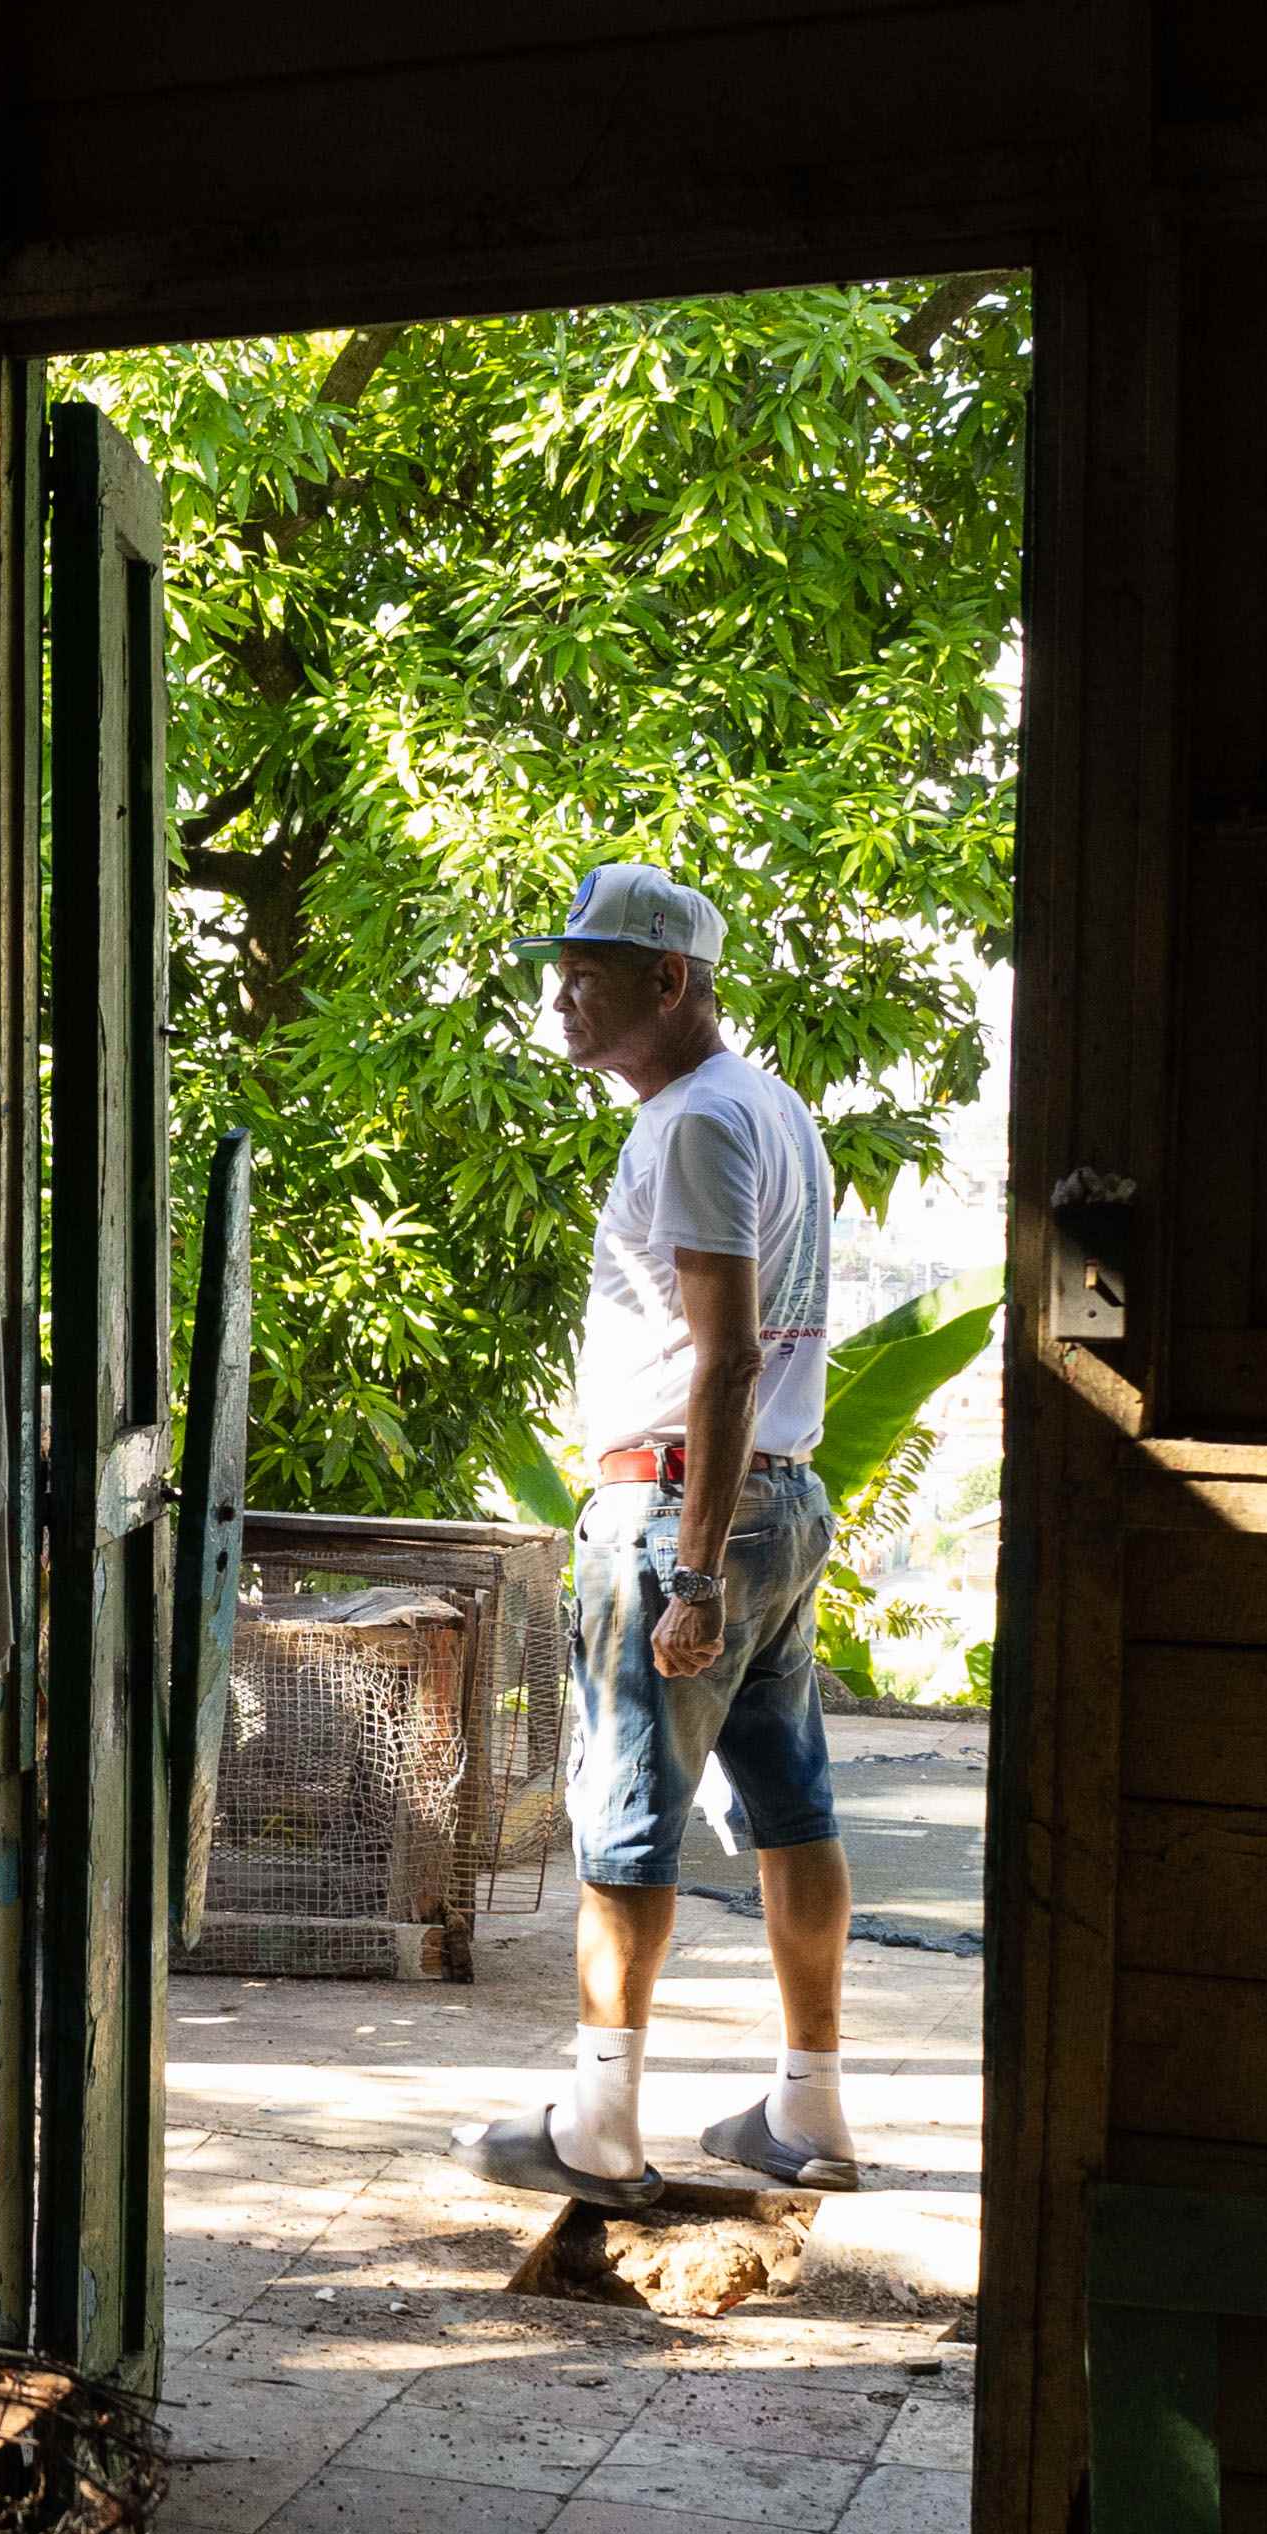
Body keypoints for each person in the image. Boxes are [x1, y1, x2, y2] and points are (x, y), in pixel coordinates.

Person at [455, 858, 864, 2209]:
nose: (558, 996)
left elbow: (727, 1355)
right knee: (791, 1803)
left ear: (670, 982)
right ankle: (810, 2111)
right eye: (554, 969)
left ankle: (600, 2127)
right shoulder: (773, 1107)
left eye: (590, 973)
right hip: (784, 1498)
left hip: (685, 1504)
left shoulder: (691, 1123)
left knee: (625, 1818)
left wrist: (689, 1569)